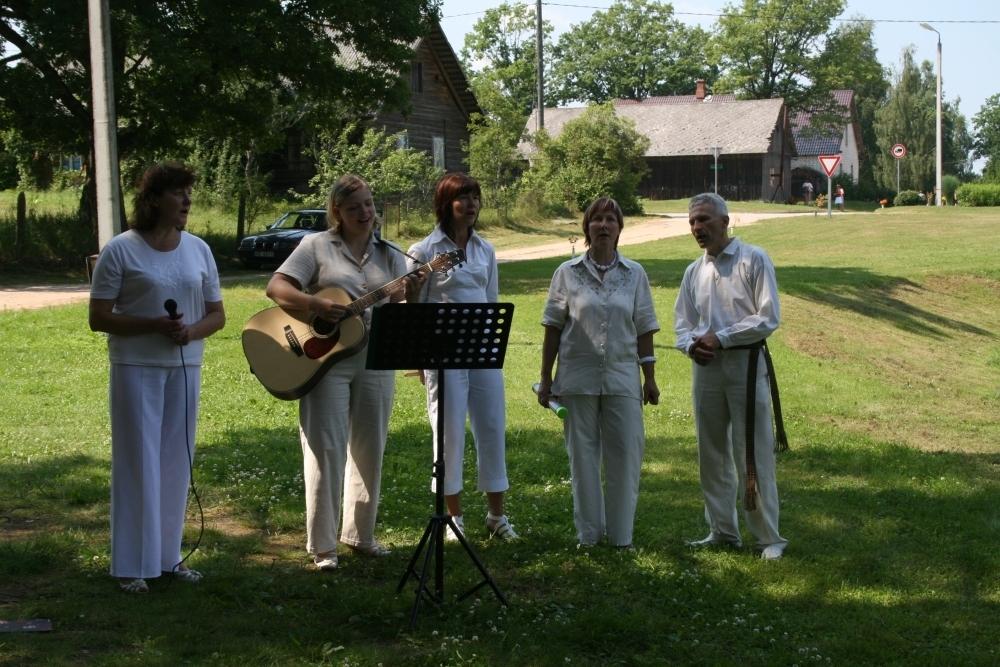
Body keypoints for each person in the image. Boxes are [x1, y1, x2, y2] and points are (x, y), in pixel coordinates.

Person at [265, 174, 425, 570]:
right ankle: (323, 547)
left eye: (369, 205)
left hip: (375, 358)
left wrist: (415, 289)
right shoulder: (317, 246)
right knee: (325, 449)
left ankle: (361, 535)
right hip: (325, 360)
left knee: (370, 448)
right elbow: (277, 287)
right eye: (355, 208)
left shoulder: (389, 253)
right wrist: (315, 303)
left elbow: (401, 307)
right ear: (337, 211)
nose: (365, 213)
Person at [89, 162, 226, 593]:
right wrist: (152, 324)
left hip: (185, 367)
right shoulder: (121, 250)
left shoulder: (199, 249)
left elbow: (217, 314)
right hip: (135, 368)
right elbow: (99, 317)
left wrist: (190, 332)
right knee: (138, 462)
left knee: (173, 463)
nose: (187, 201)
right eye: (178, 193)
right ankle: (132, 564)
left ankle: (169, 558)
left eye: (189, 192)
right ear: (153, 200)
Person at [538, 197, 660, 548]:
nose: (604, 225)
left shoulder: (634, 274)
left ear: (620, 228)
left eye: (611, 220)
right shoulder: (567, 272)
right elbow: (551, 327)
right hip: (577, 378)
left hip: (623, 377)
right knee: (584, 458)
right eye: (597, 220)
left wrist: (649, 377)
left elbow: (645, 327)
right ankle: (589, 536)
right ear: (587, 228)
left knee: (625, 455)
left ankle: (621, 537)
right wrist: (546, 379)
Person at [674, 192, 788, 560]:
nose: (698, 228)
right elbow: (682, 324)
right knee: (711, 452)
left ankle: (768, 537)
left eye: (704, 220)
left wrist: (721, 338)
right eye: (693, 221)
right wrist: (692, 345)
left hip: (744, 363)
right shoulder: (695, 271)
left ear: (725, 222)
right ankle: (722, 530)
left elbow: (767, 318)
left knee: (752, 451)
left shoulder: (753, 259)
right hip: (705, 368)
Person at [407, 172, 518, 541]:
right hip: (443, 356)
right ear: (445, 203)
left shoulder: (486, 249)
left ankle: (496, 516)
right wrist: (422, 360)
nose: (471, 204)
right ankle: (454, 519)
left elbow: (490, 300)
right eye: (463, 197)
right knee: (448, 434)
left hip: (482, 351)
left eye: (475, 197)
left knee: (491, 428)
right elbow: (415, 311)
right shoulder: (424, 251)